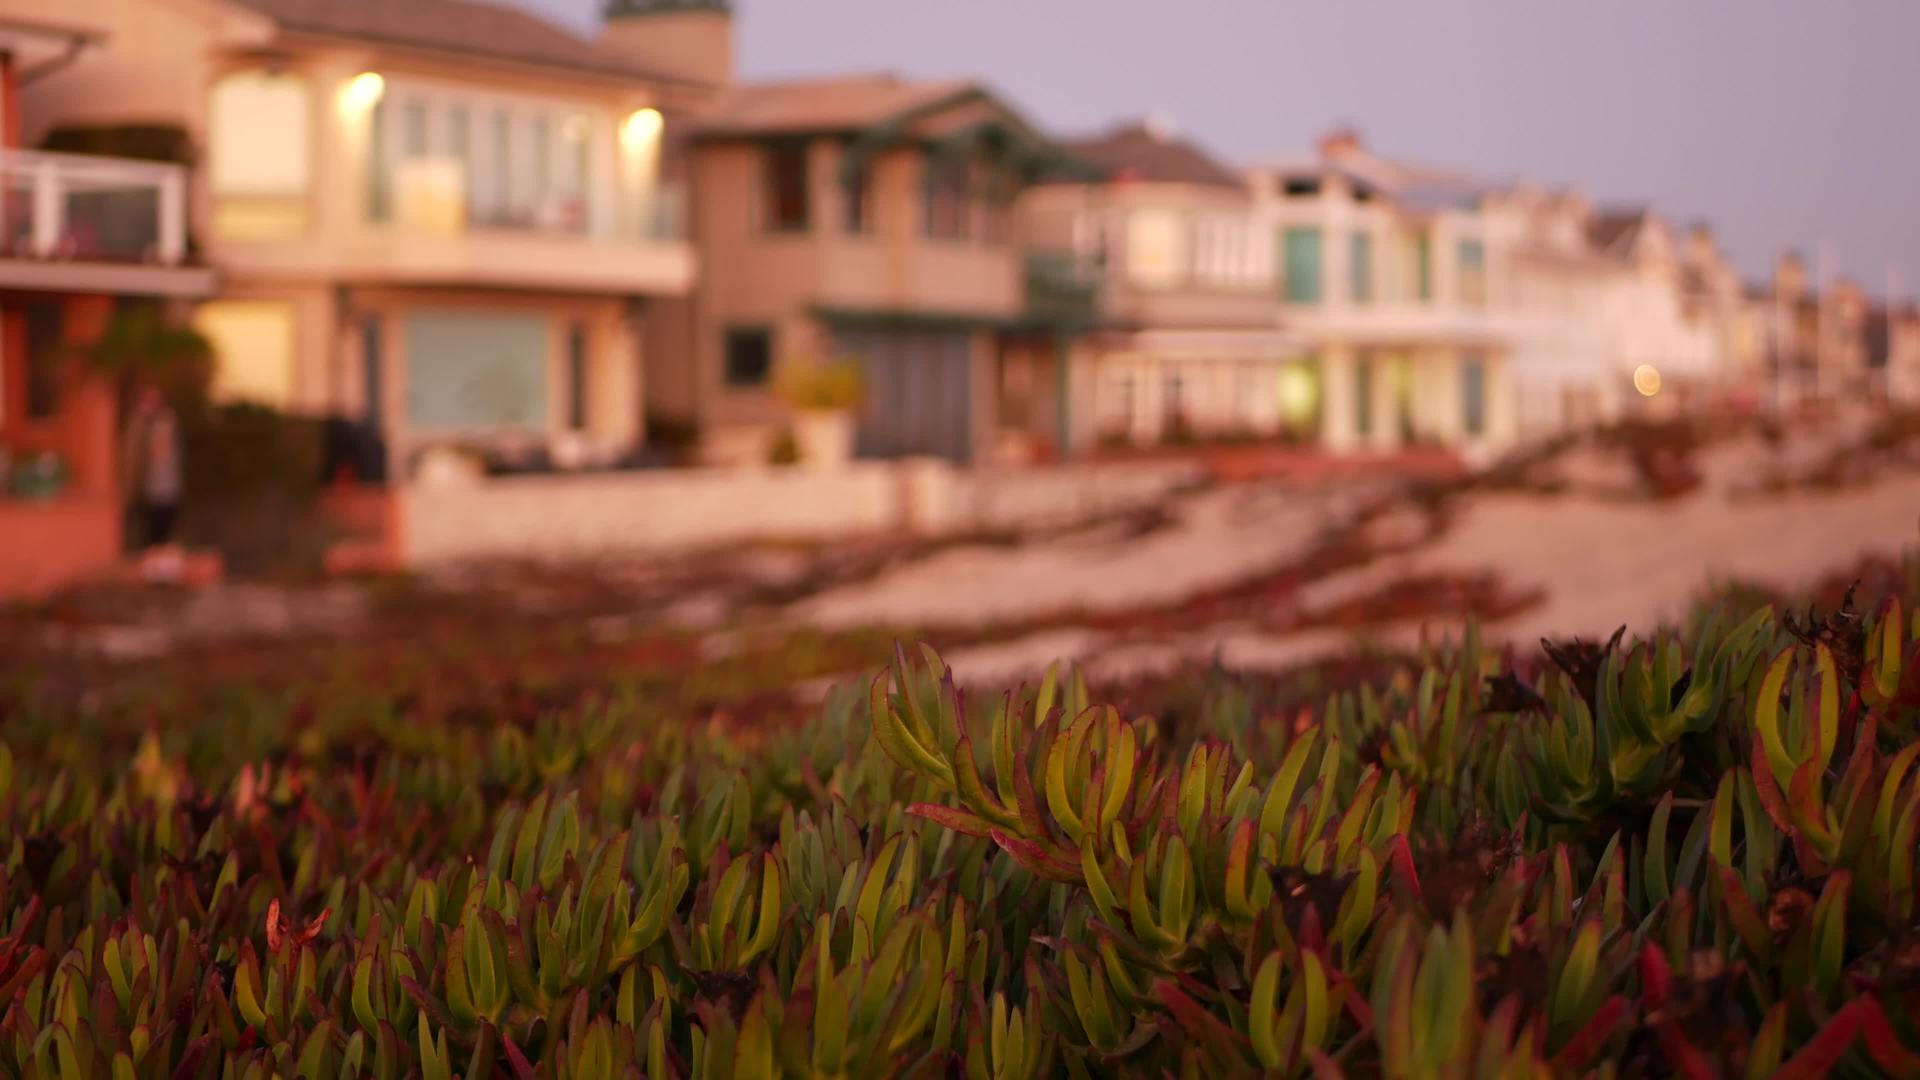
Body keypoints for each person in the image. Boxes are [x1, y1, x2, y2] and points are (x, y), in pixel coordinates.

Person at [123, 386, 183, 554]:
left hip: (164, 492)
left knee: (162, 533)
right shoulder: (141, 426)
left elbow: (161, 452)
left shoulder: (164, 422)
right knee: (150, 534)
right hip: (150, 491)